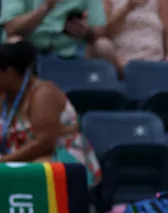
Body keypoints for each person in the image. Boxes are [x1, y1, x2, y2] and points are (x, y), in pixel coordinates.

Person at [0, 40, 101, 187]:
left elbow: (44, 143)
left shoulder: (43, 93)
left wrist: (4, 162)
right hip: (18, 159)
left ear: (8, 72)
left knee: (37, 171)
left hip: (58, 157)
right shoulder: (4, 96)